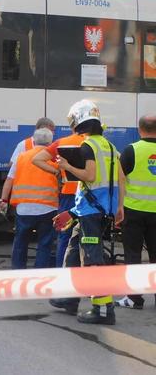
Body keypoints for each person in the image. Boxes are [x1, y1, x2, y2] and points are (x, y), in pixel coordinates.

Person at [36, 100, 124, 325]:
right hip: (93, 210)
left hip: (92, 213)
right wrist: (119, 207)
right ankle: (69, 298)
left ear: (77, 121)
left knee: (92, 259)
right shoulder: (109, 146)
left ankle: (103, 310)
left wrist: (66, 166)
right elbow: (119, 180)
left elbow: (90, 176)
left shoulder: (88, 147)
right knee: (73, 252)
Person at [0, 128, 57, 269]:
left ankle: (18, 271)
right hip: (48, 208)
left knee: (20, 242)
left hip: (24, 209)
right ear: (50, 142)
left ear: (34, 140)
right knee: (44, 243)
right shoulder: (54, 158)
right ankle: (40, 272)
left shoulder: (22, 157)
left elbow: (9, 179)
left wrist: (3, 200)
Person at [114, 115, 156, 310]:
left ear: (140, 130)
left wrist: (119, 208)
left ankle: (134, 298)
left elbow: (121, 182)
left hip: (134, 211)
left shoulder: (131, 150)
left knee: (133, 255)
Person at [32, 126, 85, 267]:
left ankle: (61, 271)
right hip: (90, 194)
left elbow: (37, 159)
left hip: (69, 194)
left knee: (64, 235)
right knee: (89, 234)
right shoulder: (96, 142)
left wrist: (57, 171)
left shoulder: (62, 142)